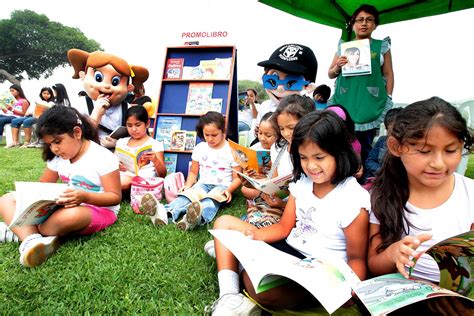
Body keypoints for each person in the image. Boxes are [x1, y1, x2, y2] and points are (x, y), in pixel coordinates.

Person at [207, 110, 369, 314]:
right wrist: (254, 235)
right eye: (303, 157)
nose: (311, 166)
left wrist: (351, 291)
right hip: (288, 253)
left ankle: (229, 257)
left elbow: (356, 258)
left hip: (322, 273)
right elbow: (284, 227)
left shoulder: (354, 198)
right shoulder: (302, 183)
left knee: (259, 289)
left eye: (319, 157)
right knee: (224, 223)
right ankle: (229, 297)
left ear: (339, 153)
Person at [368, 97, 473, 313]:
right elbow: (374, 264)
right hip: (408, 298)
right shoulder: (384, 195)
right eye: (425, 152)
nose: (438, 163)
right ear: (396, 147)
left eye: (451, 151)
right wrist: (392, 253)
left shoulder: (469, 194)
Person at [0, 106, 121, 267]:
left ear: (77, 132)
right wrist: (32, 199)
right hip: (64, 204)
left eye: (57, 141)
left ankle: (18, 231)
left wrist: (84, 197)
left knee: (64, 219)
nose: (54, 149)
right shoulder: (57, 157)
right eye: (49, 144)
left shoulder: (103, 157)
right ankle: (32, 240)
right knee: (6, 199)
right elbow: (44, 184)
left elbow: (114, 197)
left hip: (98, 209)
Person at [146, 111, 242, 231]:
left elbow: (237, 178)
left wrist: (229, 190)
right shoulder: (200, 148)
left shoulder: (232, 150)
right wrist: (187, 186)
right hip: (203, 184)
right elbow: (193, 172)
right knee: (187, 197)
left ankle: (196, 218)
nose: (210, 139)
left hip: (222, 186)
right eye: (206, 135)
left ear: (223, 130)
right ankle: (165, 213)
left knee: (210, 201)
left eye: (214, 135)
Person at [328, 4, 394, 164]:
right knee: (340, 143)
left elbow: (388, 73)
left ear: (375, 24)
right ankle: (342, 176)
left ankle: (365, 178)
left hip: (370, 103)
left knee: (365, 145)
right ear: (353, 24)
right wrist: (338, 66)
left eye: (369, 20)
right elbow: (330, 74)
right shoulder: (343, 46)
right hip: (345, 99)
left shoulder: (381, 46)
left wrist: (389, 96)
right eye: (360, 20)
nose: (364, 23)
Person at [67, 49, 149, 148]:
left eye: (115, 82)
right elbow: (72, 135)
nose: (106, 86)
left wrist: (118, 144)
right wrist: (96, 115)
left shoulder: (127, 108)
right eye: (98, 78)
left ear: (129, 88)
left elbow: (139, 136)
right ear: (83, 76)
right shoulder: (80, 104)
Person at [252, 43, 318, 145]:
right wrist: (258, 132)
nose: (280, 88)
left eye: (291, 83)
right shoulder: (265, 106)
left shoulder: (307, 111)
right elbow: (258, 131)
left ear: (308, 86)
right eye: (272, 80)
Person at [115, 105, 166, 190]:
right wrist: (118, 165)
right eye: (129, 126)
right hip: (124, 176)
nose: (134, 129)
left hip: (143, 181)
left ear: (147, 124)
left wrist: (155, 160)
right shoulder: (121, 142)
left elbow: (162, 174)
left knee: (123, 181)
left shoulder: (155, 144)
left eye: (138, 125)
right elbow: (113, 163)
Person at [364, 107, 402, 180]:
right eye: (392, 130)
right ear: (386, 127)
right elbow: (370, 161)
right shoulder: (382, 141)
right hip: (380, 180)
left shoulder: (407, 145)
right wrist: (382, 172)